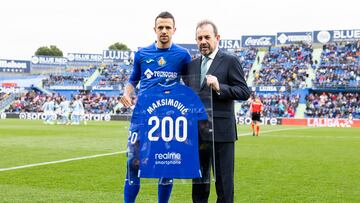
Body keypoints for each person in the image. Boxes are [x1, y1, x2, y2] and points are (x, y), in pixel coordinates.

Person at [120, 11, 191, 203]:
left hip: (168, 121)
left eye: (168, 27)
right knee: (132, 163)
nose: (164, 31)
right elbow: (132, 80)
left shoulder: (183, 56)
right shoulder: (142, 54)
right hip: (142, 117)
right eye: (161, 27)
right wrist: (127, 93)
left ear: (174, 30)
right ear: (155, 29)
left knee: (166, 166)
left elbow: (190, 85)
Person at [186, 20, 250, 203]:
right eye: (199, 38)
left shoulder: (230, 61)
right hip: (198, 133)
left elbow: (244, 92)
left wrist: (219, 87)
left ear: (217, 38)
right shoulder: (191, 66)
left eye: (207, 37)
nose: (203, 41)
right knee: (199, 183)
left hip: (222, 132)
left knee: (224, 184)